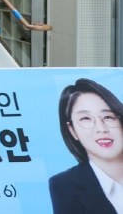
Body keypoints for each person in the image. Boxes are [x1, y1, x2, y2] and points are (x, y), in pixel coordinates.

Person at [50, 78, 123, 214]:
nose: (101, 129)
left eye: (108, 117)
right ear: (72, 130)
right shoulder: (64, 185)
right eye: (86, 118)